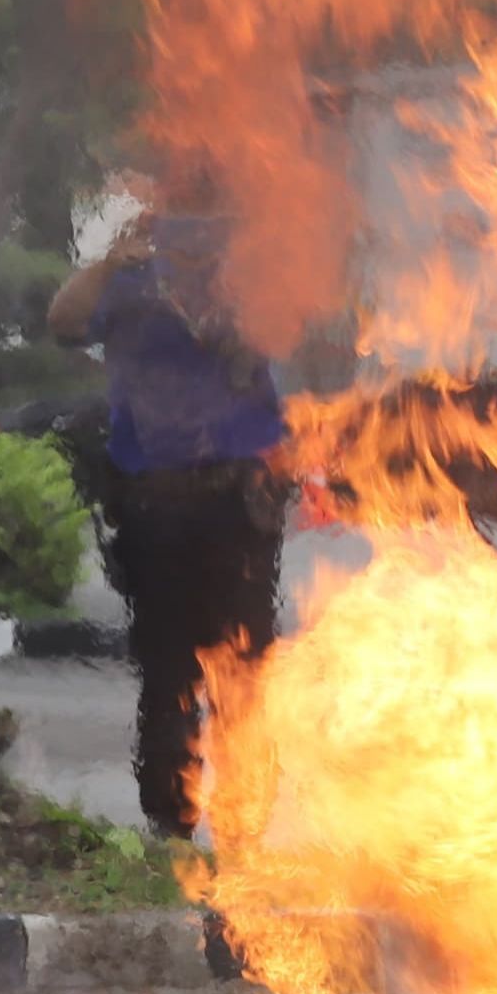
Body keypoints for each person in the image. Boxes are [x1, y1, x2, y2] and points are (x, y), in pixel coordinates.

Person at [49, 206, 297, 841]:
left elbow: (298, 321)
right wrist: (108, 263)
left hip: (236, 502)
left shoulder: (250, 275)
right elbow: (64, 320)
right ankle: (171, 822)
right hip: (155, 506)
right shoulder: (131, 282)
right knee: (167, 672)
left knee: (244, 668)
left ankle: (245, 829)